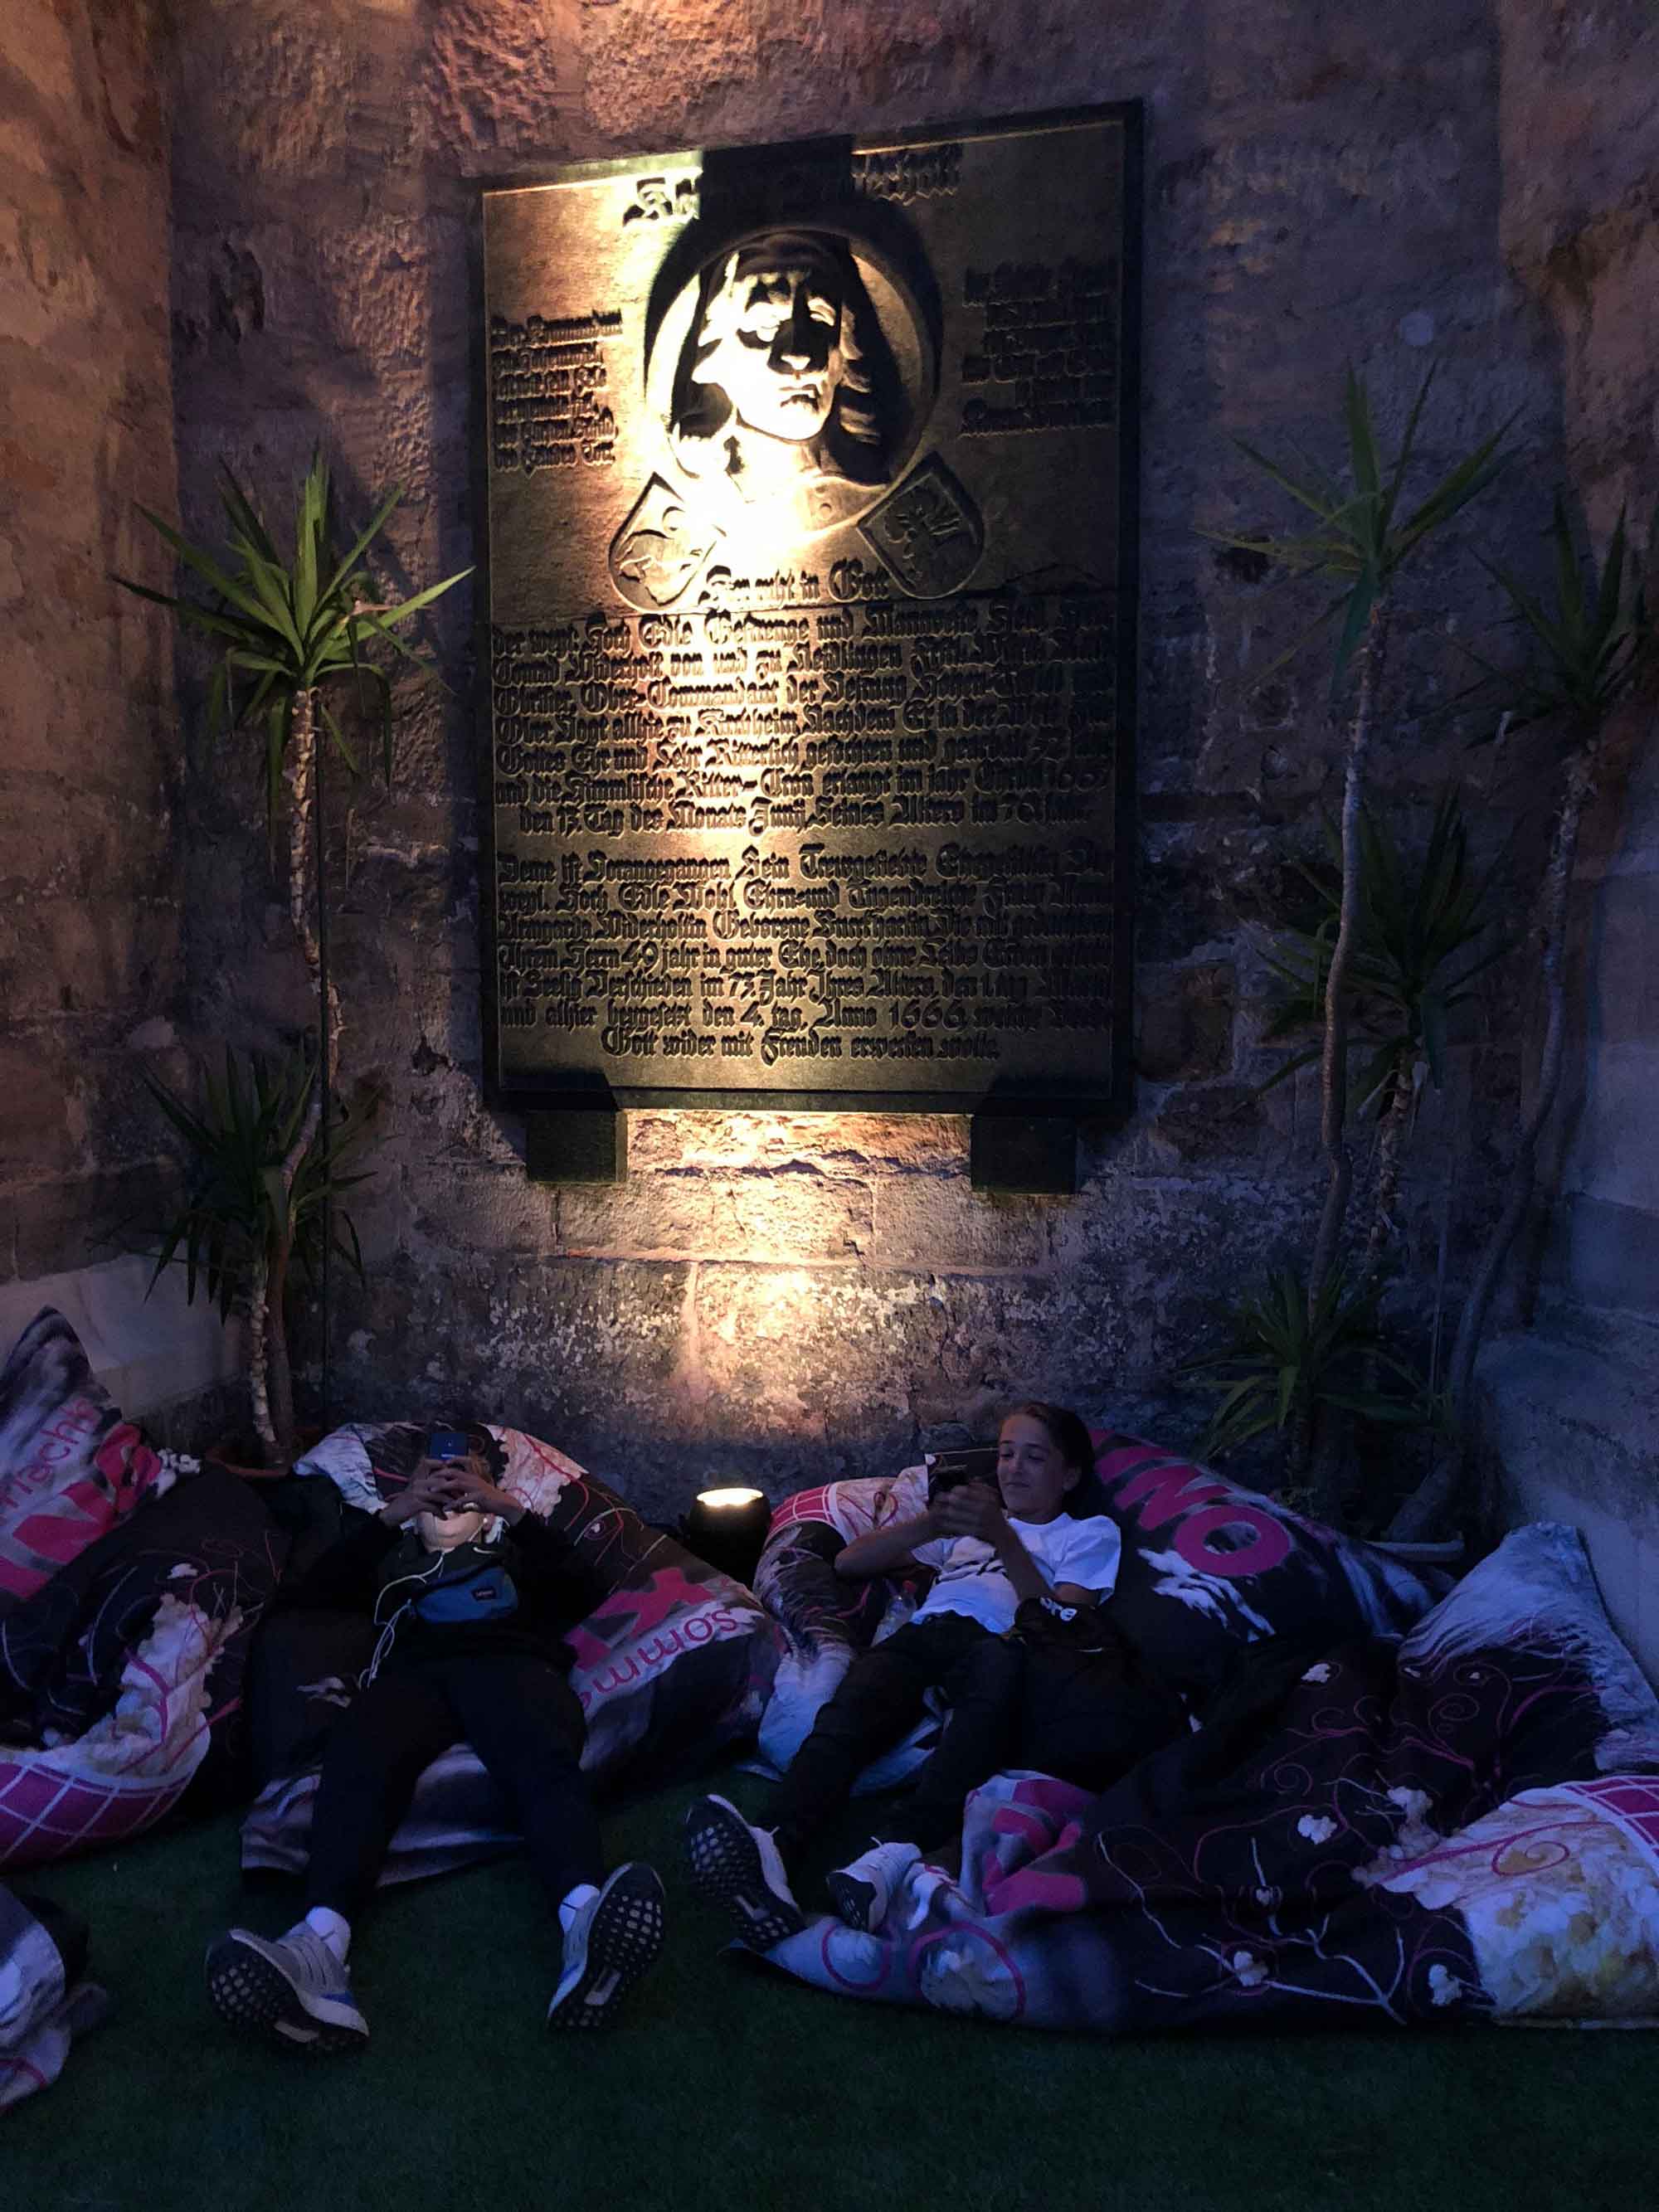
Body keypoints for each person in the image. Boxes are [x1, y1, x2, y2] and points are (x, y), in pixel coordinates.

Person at [203, 1425, 665, 2050]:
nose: (449, 1490)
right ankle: (319, 1948)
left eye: (465, 1477)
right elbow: (310, 1595)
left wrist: (505, 1507)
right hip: (415, 1671)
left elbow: (584, 1586)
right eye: (433, 1477)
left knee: (536, 1746)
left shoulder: (513, 1549)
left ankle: (586, 1918)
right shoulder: (391, 1556)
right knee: (360, 1751)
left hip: (508, 1662)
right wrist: (393, 1514)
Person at [684, 1402, 1120, 1943]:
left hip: (1005, 1643)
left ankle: (887, 1856)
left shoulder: (1087, 1533)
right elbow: (848, 1563)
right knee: (850, 1711)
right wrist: (932, 1523)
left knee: (982, 1713)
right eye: (1007, 1454)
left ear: (1069, 1476)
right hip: (928, 1629)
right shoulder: (969, 1531)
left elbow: (1062, 1620)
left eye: (1034, 1457)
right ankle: (774, 1842)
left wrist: (1004, 1538)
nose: (1014, 1469)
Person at [667, 229, 902, 533]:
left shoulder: (862, 480)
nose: (798, 355)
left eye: (818, 321)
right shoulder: (720, 493)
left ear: (844, 351)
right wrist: (706, 474)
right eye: (766, 326)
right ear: (718, 357)